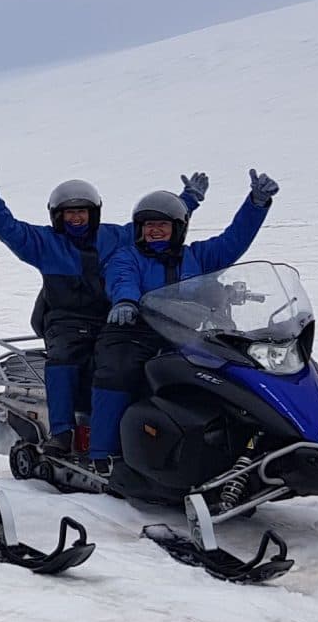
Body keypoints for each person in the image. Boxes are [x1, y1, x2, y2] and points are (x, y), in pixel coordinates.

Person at [0, 165, 207, 453]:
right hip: (65, 320)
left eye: (82, 212)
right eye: (69, 213)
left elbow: (155, 222)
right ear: (58, 216)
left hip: (111, 316)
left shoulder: (114, 237)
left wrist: (187, 201)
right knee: (64, 356)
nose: (76, 218)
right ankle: (62, 431)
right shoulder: (44, 243)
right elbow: (8, 228)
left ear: (94, 213)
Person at [86, 169, 280, 471]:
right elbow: (122, 280)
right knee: (119, 372)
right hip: (132, 331)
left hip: (186, 333)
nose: (155, 231)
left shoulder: (197, 256)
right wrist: (126, 301)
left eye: (162, 225)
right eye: (149, 225)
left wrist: (255, 204)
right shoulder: (128, 256)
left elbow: (233, 242)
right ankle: (103, 454)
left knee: (230, 372)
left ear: (178, 228)